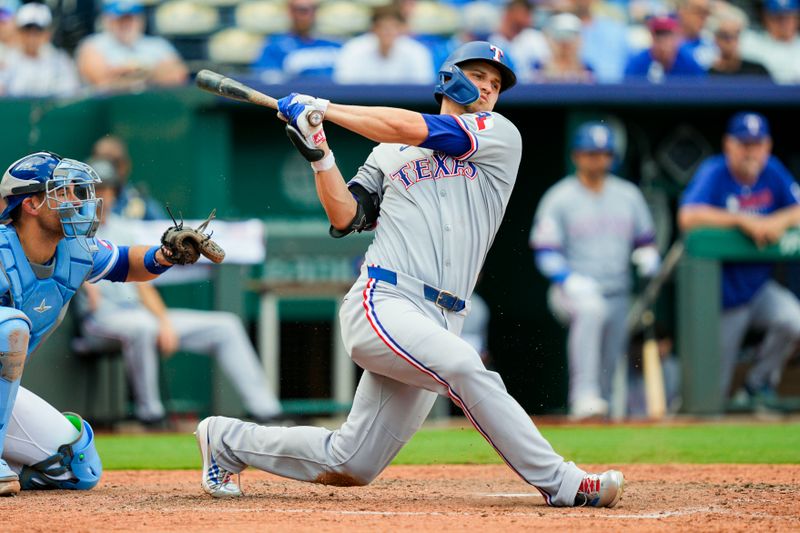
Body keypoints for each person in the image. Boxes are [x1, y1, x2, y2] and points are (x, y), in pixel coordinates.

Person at [195, 41, 625, 508]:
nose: (487, 89)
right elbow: (346, 216)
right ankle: (561, 482)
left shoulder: (499, 134)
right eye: (479, 75)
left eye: (496, 84)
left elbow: (411, 126)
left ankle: (226, 441)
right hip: (385, 301)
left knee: (353, 461)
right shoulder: (387, 154)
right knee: (465, 367)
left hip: (444, 316)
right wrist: (321, 156)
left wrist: (324, 108)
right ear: (450, 75)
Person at [0, 151, 216, 496]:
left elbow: (126, 263)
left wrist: (165, 255)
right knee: (7, 326)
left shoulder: (75, 250)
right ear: (31, 204)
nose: (75, 199)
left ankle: (10, 466)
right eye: (62, 191)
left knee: (76, 467)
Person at [74, 160, 284, 426]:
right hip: (99, 322)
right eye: (96, 191)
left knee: (225, 325)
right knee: (142, 327)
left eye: (108, 190)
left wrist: (163, 322)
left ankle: (266, 410)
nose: (104, 196)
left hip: (137, 315)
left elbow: (142, 285)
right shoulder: (73, 232)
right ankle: (151, 414)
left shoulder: (123, 228)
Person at [530, 122, 660, 419]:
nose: (597, 160)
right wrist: (568, 278)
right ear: (577, 156)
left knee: (611, 359)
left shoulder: (628, 195)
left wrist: (648, 255)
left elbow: (646, 240)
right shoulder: (559, 197)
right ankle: (583, 396)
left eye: (603, 154)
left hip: (618, 290)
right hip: (573, 290)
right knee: (591, 310)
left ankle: (602, 412)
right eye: (590, 153)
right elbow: (545, 252)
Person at [678, 112, 800, 409]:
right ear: (729, 145)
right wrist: (742, 220)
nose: (750, 150)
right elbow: (688, 216)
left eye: (757, 143)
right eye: (743, 143)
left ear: (767, 146)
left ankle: (757, 383)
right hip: (721, 298)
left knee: (793, 321)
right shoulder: (715, 171)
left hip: (758, 289)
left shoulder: (772, 171)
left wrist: (777, 221)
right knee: (711, 393)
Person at [75, 0, 188, 90]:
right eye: (120, 19)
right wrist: (151, 72)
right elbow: (101, 81)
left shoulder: (157, 44)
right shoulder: (93, 44)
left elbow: (178, 76)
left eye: (130, 18)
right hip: (110, 111)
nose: (125, 24)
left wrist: (123, 73)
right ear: (107, 20)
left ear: (140, 20)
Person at [333, 5, 433, 85]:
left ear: (401, 28)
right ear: (373, 29)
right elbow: (344, 86)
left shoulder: (416, 51)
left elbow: (422, 87)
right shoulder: (353, 49)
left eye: (393, 27)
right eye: (383, 27)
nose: (388, 32)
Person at [0, 3, 81, 97]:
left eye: (38, 31)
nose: (32, 37)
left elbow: (69, 97)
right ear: (19, 32)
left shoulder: (60, 62)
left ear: (48, 33)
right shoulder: (6, 60)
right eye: (27, 31)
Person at [252, 0, 341, 84]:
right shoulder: (274, 47)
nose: (306, 15)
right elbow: (270, 82)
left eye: (312, 9)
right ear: (289, 12)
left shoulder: (334, 45)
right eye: (301, 10)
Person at [91, 134, 166, 220]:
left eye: (113, 163)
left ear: (124, 166)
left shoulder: (142, 206)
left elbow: (162, 228)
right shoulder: (79, 201)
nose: (105, 169)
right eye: (99, 162)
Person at [625, 14, 706, 82]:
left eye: (668, 36)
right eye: (659, 36)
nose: (663, 42)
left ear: (677, 37)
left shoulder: (689, 63)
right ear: (652, 38)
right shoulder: (637, 63)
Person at [740, 0, 800, 84]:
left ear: (797, 18)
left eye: (789, 16)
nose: (784, 23)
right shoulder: (752, 43)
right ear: (766, 17)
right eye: (778, 17)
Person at [708, 6, 771, 78]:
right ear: (715, 39)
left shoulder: (758, 71)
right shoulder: (708, 75)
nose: (731, 41)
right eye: (725, 36)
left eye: (735, 35)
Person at [533, 12, 594, 83]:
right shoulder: (538, 67)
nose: (565, 42)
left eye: (571, 36)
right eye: (559, 36)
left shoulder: (587, 69)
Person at [676, 0, 716, 69]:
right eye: (699, 11)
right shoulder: (662, 41)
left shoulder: (712, 46)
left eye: (706, 13)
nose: (703, 17)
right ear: (682, 12)